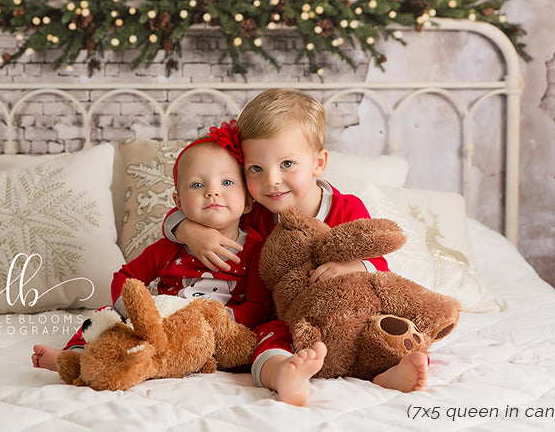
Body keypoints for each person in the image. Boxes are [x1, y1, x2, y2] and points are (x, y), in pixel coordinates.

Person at [163, 89, 429, 405]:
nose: (272, 181)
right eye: (255, 169)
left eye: (287, 163)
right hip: (285, 320)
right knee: (268, 340)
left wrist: (352, 267)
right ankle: (284, 375)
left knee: (390, 328)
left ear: (318, 162)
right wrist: (190, 230)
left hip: (342, 313)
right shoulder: (255, 210)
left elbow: (379, 262)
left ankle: (392, 373)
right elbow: (188, 210)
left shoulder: (346, 209)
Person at [32, 123, 272, 372]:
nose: (213, 191)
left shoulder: (254, 249)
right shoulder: (170, 248)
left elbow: (259, 306)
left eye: (227, 182)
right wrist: (137, 312)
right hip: (160, 327)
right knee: (105, 315)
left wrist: (221, 321)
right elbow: (125, 277)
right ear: (178, 202)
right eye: (198, 185)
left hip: (215, 335)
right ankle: (76, 355)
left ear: (248, 201)